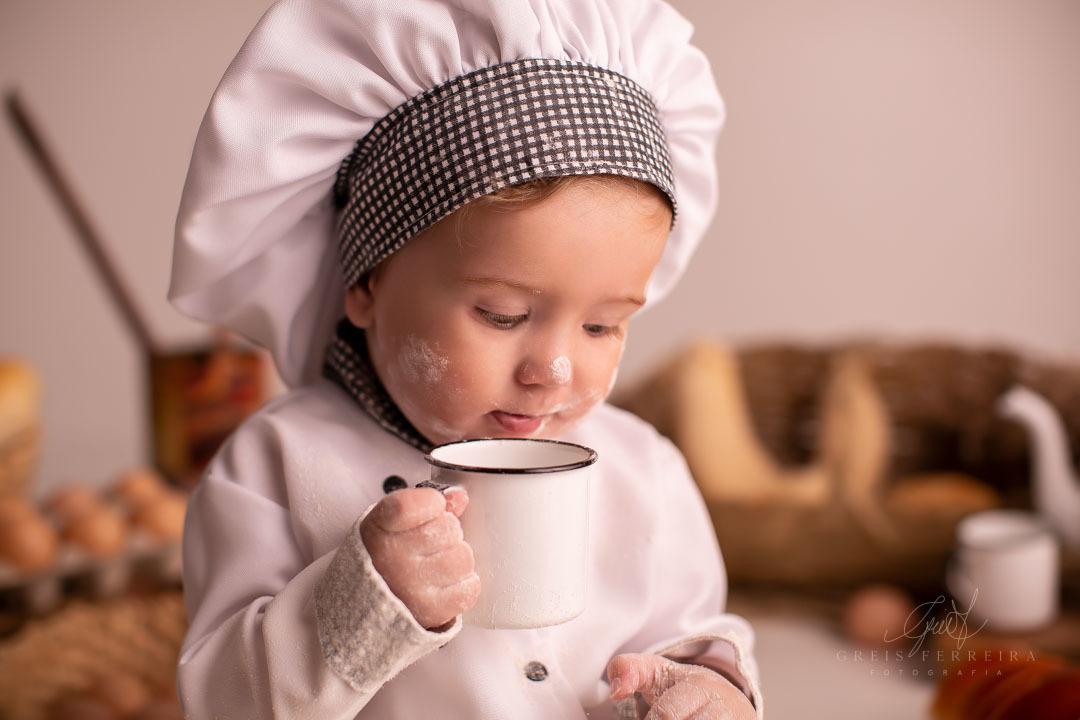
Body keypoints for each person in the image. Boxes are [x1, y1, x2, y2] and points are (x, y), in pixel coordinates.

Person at [168, 0, 763, 717]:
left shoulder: (646, 473)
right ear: (366, 283)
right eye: (502, 315)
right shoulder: (276, 465)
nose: (555, 371)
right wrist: (363, 603)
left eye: (603, 326)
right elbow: (224, 700)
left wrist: (711, 685)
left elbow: (695, 631)